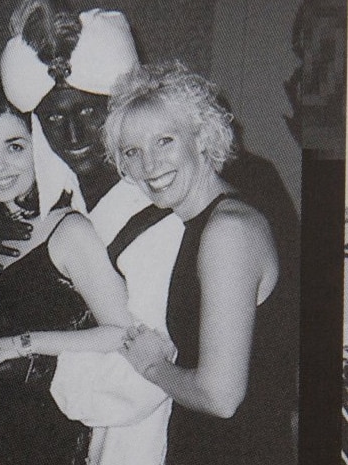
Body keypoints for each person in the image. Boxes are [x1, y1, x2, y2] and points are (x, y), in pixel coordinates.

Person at [0, 2, 184, 462]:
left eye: (89, 112)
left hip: (142, 439)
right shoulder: (73, 209)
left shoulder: (155, 220)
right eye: (56, 120)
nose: (75, 132)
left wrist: (42, 367)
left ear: (116, 111)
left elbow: (148, 369)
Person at [0, 82, 155, 465]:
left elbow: (123, 333)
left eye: (15, 146)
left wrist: (24, 343)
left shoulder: (69, 230)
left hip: (47, 441)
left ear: (40, 151)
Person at [108, 61, 296, 464]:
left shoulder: (227, 230)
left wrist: (153, 367)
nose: (150, 165)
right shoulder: (204, 221)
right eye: (133, 152)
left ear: (202, 137)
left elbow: (221, 396)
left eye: (164, 141)